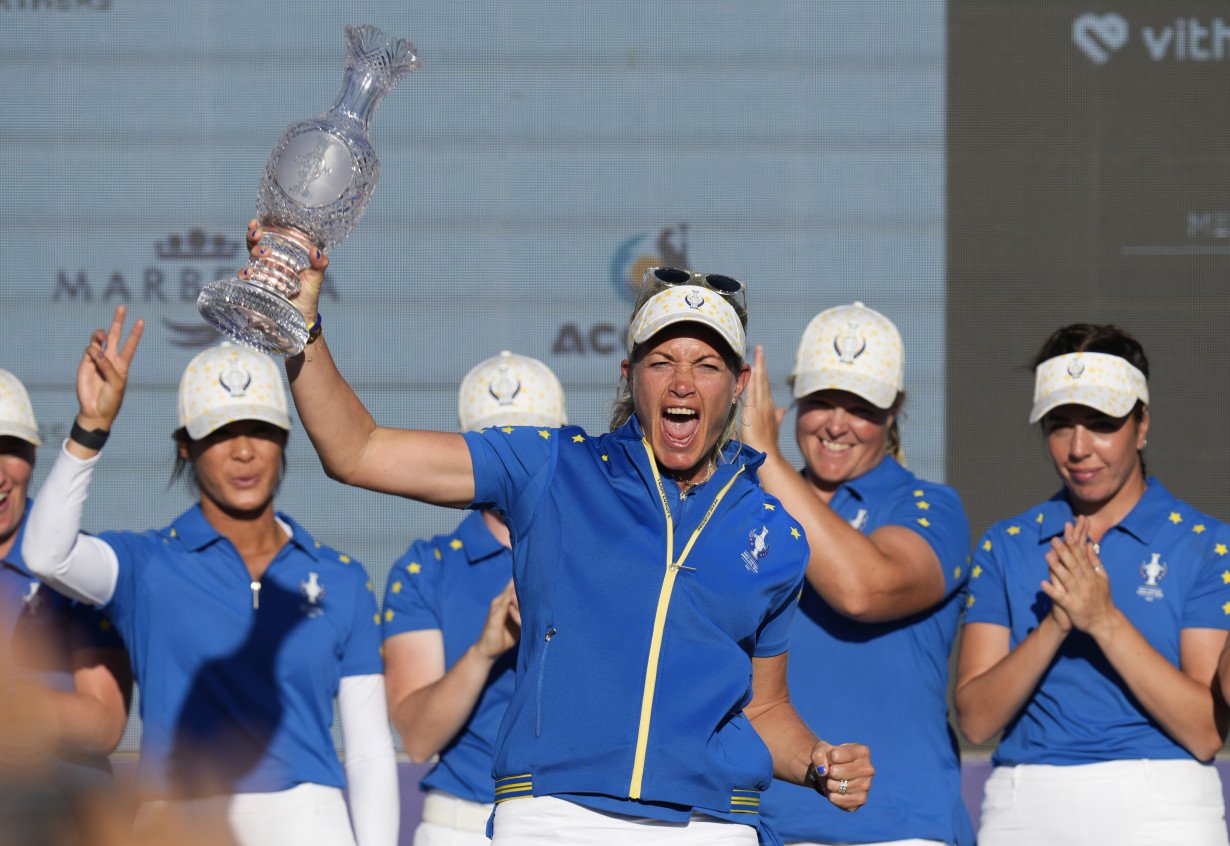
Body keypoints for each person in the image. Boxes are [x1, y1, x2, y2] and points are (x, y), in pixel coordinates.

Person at [253, 227, 874, 846]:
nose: (682, 383)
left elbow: (764, 710)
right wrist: (301, 324)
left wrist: (819, 761)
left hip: (710, 826)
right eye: (662, 362)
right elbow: (358, 451)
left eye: (707, 365)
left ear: (738, 385)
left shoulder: (774, 532)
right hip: (556, 819)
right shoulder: (553, 468)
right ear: (630, 375)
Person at [21, 316, 399, 846]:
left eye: (260, 429)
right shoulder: (145, 565)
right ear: (186, 447)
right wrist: (91, 428)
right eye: (219, 433)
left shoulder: (340, 578)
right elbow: (44, 554)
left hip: (311, 822)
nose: (243, 451)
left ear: (285, 437)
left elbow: (368, 751)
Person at [956, 323, 1230, 846]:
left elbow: (1206, 730)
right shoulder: (1008, 543)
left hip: (1165, 807)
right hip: (1023, 805)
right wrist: (1057, 623)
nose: (1079, 447)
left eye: (1102, 422)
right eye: (1060, 424)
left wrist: (1102, 620)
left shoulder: (1204, 544)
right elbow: (975, 719)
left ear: (1142, 424)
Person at [741, 302, 973, 846]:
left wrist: (765, 457)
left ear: (893, 412)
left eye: (861, 405)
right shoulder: (745, 505)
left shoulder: (932, 507)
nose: (837, 424)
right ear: (796, 399)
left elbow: (863, 589)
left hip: (899, 827)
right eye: (821, 400)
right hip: (761, 824)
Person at [383, 350, 567, 846]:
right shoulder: (427, 568)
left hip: (577, 820)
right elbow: (419, 739)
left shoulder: (604, 553)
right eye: (494, 445)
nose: (514, 460)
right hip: (460, 824)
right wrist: (486, 650)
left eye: (533, 441)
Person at [0, 367, 132, 842]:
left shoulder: (75, 566)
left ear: (34, 455)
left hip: (67, 824)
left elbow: (105, 722)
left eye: (10, 449)